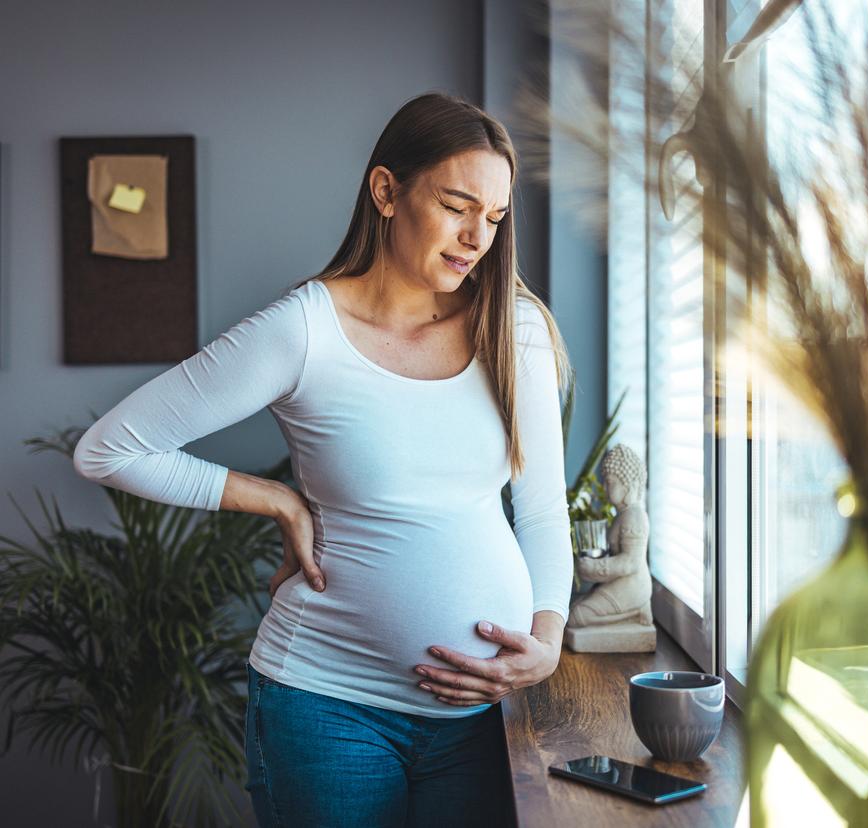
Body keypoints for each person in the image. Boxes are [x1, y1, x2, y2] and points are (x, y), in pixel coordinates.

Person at [72, 91, 575, 828]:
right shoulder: (302, 331)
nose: (477, 237)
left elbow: (539, 509)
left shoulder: (514, 325)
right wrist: (274, 498)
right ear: (386, 191)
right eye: (458, 205)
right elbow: (107, 448)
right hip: (327, 710)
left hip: (479, 721)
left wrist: (549, 641)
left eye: (494, 219)